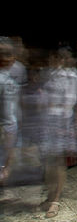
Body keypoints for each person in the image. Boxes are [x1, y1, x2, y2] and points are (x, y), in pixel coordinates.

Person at [37, 47, 77, 218]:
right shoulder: (48, 74)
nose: (61, 60)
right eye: (57, 57)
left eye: (64, 57)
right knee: (48, 161)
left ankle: (56, 200)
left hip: (62, 121)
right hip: (46, 121)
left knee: (58, 161)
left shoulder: (75, 78)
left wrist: (74, 126)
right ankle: (50, 196)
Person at [0, 39, 20, 186]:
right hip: (4, 127)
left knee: (4, 166)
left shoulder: (10, 78)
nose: (7, 58)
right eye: (3, 54)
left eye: (9, 54)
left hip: (9, 127)